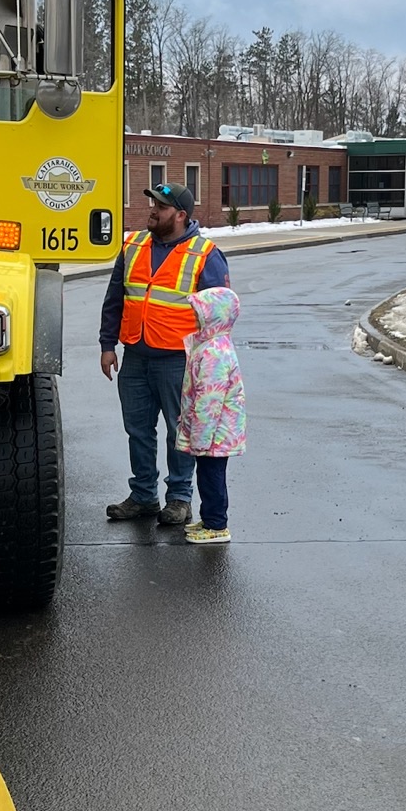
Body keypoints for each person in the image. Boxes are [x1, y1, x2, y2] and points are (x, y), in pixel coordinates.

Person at [99, 183, 231, 526]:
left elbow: (219, 314)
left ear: (181, 215)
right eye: (152, 203)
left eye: (161, 206)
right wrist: (106, 345)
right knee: (138, 430)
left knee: (179, 432)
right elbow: (115, 299)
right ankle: (143, 495)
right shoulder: (133, 245)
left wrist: (209, 364)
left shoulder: (204, 253)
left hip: (178, 361)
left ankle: (179, 498)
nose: (153, 210)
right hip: (136, 356)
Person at [175, 286, 245, 544]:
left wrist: (200, 436)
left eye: (199, 315)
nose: (194, 319)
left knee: (212, 477)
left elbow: (209, 399)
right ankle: (210, 518)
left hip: (213, 432)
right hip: (214, 430)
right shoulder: (210, 345)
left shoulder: (213, 353)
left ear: (214, 317)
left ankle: (217, 525)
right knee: (207, 475)